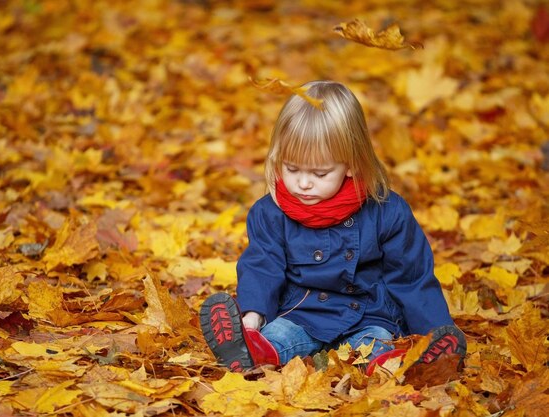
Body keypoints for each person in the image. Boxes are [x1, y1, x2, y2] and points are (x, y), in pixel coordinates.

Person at [199, 80, 466, 373]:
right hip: (301, 313)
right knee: (278, 337)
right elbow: (263, 266)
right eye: (291, 168)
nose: (303, 182)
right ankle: (249, 349)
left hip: (368, 315)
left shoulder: (387, 212)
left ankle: (412, 364)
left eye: (320, 173)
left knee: (377, 344)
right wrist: (252, 319)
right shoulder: (270, 213)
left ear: (352, 164)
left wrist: (434, 331)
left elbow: (411, 278)